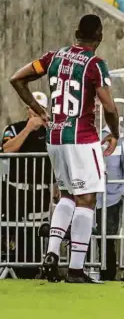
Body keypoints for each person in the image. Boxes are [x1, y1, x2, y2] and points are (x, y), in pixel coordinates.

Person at [9, 14, 120, 284]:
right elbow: (109, 107)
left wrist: (40, 112)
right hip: (82, 138)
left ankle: (51, 254)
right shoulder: (95, 64)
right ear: (100, 36)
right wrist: (115, 133)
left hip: (55, 137)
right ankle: (75, 269)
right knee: (87, 199)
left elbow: (16, 79)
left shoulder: (53, 57)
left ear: (75, 33)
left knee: (67, 196)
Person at [0, 92, 56, 278]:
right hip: (16, 191)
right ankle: (11, 268)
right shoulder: (14, 128)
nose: (35, 112)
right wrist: (28, 129)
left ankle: (30, 271)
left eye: (39, 109)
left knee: (35, 232)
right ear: (27, 109)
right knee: (12, 228)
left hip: (41, 194)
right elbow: (7, 150)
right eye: (33, 108)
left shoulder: (52, 132)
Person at [95, 100, 124, 281]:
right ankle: (79, 272)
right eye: (93, 105)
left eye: (98, 106)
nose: (96, 109)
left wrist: (122, 193)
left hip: (110, 198)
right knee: (82, 237)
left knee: (108, 241)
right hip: (85, 196)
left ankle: (108, 277)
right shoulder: (81, 134)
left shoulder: (121, 137)